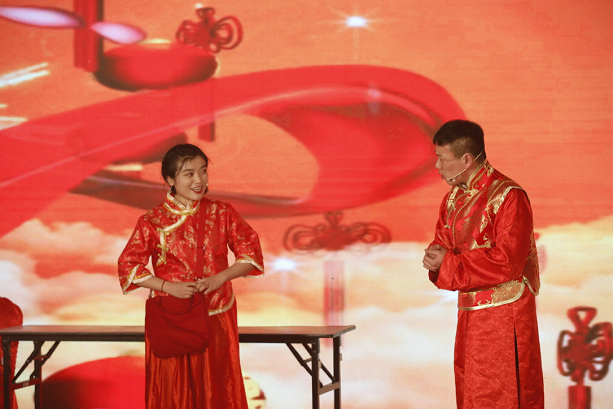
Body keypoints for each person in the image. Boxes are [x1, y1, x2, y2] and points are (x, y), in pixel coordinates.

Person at [118, 143, 264, 409]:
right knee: (172, 388)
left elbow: (250, 254)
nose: (199, 180)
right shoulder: (152, 220)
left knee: (218, 384)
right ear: (170, 180)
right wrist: (167, 286)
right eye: (189, 174)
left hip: (216, 314)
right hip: (172, 317)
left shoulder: (222, 213)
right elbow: (129, 266)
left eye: (203, 171)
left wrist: (220, 278)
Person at [422, 120, 544, 409]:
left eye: (442, 159)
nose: (437, 166)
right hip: (470, 314)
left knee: (502, 396)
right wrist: (436, 258)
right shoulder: (453, 198)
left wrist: (448, 263)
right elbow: (445, 244)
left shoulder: (508, 196)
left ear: (466, 159)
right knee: (473, 394)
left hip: (504, 315)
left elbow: (508, 263)